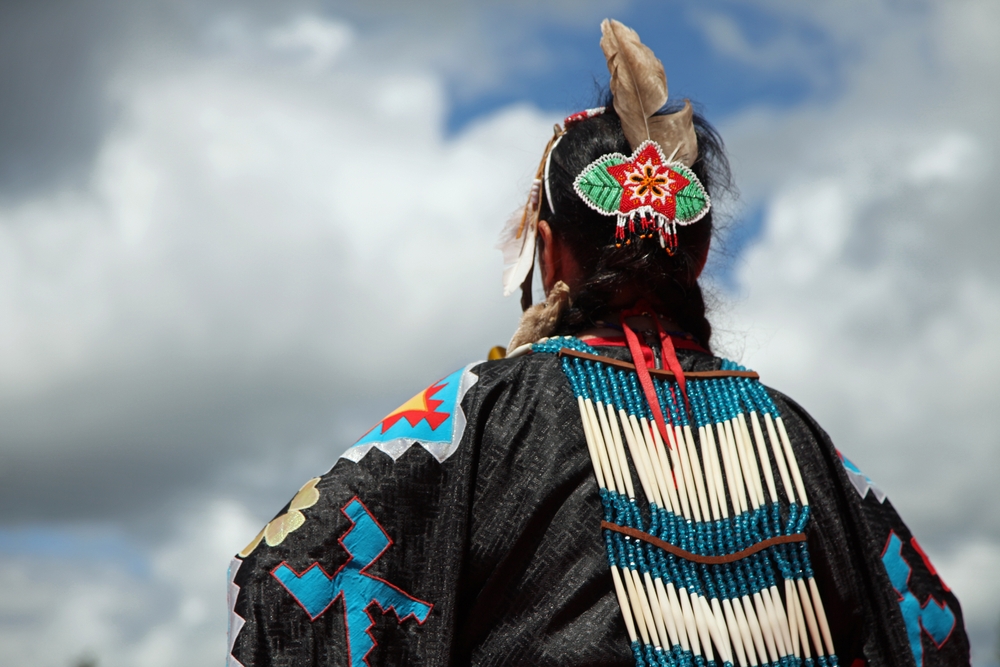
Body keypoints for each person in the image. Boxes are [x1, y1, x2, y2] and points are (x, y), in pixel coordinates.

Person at [226, 19, 969, 667]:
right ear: (696, 258)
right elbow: (929, 628)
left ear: (548, 250)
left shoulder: (482, 421)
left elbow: (286, 579)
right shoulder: (800, 445)